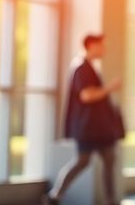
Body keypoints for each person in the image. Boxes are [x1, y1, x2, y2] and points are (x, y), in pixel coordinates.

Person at [43, 33, 124, 205]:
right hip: (89, 129)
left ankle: (110, 200)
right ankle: (55, 195)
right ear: (92, 45)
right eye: (101, 45)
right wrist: (110, 88)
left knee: (107, 160)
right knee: (83, 161)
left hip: (99, 129)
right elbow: (87, 96)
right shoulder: (82, 68)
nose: (104, 49)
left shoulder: (89, 67)